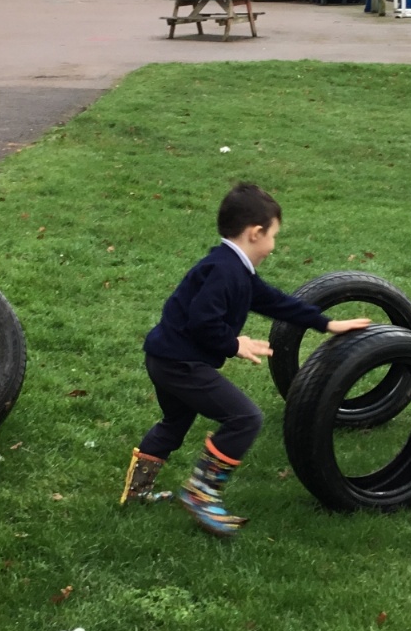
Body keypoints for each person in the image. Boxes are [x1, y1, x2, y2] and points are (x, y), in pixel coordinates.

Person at [122, 182, 370, 536]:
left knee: (174, 423)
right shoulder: (225, 272)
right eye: (273, 236)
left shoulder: (232, 268)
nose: (274, 246)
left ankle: (136, 493)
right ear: (255, 233)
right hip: (180, 364)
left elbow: (276, 302)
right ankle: (201, 494)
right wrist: (234, 344)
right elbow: (202, 321)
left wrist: (326, 323)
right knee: (245, 417)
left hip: (164, 358)